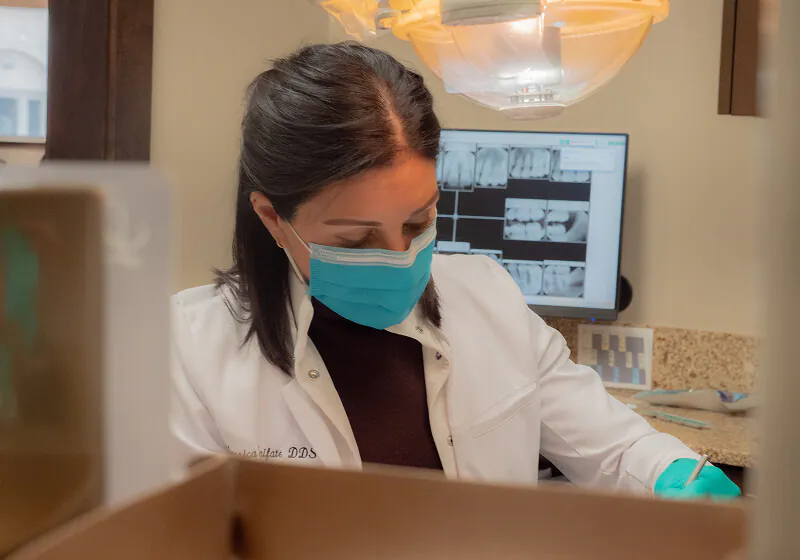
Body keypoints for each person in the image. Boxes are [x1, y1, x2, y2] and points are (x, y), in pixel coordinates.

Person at [170, 42, 739, 499]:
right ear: (273, 217)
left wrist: (675, 477)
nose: (400, 254)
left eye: (418, 221)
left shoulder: (487, 296)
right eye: (357, 238)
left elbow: (614, 448)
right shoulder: (188, 352)